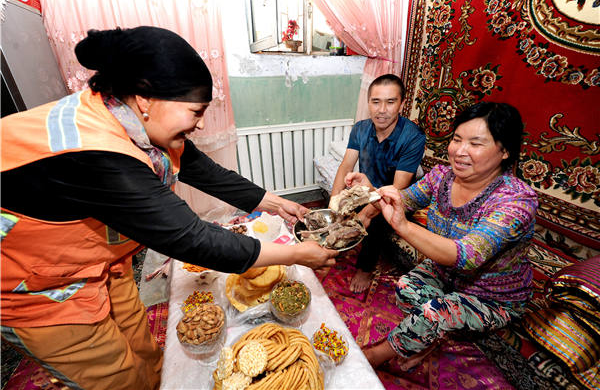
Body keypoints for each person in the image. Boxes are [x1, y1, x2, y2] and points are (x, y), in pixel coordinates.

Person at [0, 26, 338, 390]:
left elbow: (205, 172)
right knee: (117, 379)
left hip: (99, 262)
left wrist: (274, 203)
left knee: (142, 348)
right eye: (196, 111)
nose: (203, 122)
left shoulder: (128, 118)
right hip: (39, 289)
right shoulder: (96, 153)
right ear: (145, 99)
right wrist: (296, 254)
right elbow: (193, 239)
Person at [353, 102, 538, 369]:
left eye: (475, 144)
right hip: (444, 274)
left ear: (505, 151)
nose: (460, 151)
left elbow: (467, 256)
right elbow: (403, 199)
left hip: (491, 295)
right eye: (457, 139)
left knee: (436, 313)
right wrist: (371, 192)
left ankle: (375, 356)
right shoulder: (442, 176)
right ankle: (430, 337)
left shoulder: (516, 200)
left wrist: (404, 226)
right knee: (404, 288)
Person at [330, 74, 426, 293]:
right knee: (342, 208)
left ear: (402, 104)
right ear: (368, 103)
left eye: (390, 102)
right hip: (368, 189)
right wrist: (333, 205)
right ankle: (344, 236)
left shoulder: (413, 137)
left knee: (377, 221)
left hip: (399, 197)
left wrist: (365, 214)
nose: (382, 109)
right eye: (376, 102)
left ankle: (365, 268)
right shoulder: (360, 128)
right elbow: (345, 166)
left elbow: (397, 189)